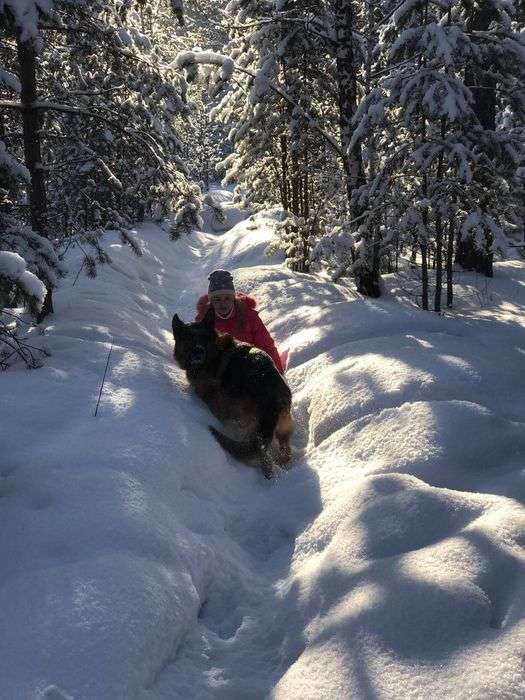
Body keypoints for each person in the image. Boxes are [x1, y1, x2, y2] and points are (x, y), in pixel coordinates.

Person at [195, 269, 285, 374]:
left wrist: (277, 373)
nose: (222, 303)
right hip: (217, 372)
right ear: (211, 301)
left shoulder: (249, 317)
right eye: (217, 299)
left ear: (234, 298)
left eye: (227, 298)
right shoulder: (203, 321)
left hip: (248, 367)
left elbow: (267, 347)